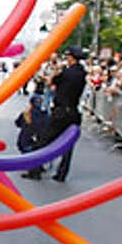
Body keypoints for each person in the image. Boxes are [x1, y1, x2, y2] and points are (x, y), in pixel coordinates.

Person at [42, 46, 88, 182]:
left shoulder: (66, 73)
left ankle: (36, 168)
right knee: (68, 145)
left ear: (71, 57)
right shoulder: (82, 73)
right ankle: (62, 173)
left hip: (61, 110)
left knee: (44, 139)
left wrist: (57, 70)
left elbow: (51, 82)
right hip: (73, 111)